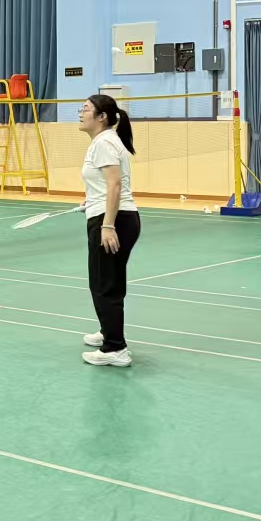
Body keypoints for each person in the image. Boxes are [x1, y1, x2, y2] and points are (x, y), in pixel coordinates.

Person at [79, 94, 141, 367]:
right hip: (116, 216)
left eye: (86, 109)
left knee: (104, 285)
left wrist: (107, 225)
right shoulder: (106, 140)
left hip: (113, 220)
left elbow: (115, 185)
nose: (81, 113)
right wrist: (92, 200)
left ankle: (115, 348)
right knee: (110, 282)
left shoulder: (104, 142)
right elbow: (106, 185)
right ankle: (109, 331)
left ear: (102, 117)